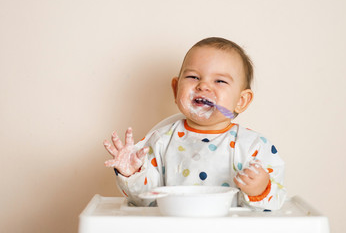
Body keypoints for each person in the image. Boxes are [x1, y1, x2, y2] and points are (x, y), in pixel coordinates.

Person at [103, 37, 286, 210]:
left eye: (220, 81)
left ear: (241, 100)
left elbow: (275, 204)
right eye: (193, 77)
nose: (203, 86)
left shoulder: (254, 146)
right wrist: (132, 174)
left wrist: (260, 190)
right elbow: (144, 201)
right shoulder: (160, 141)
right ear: (175, 90)